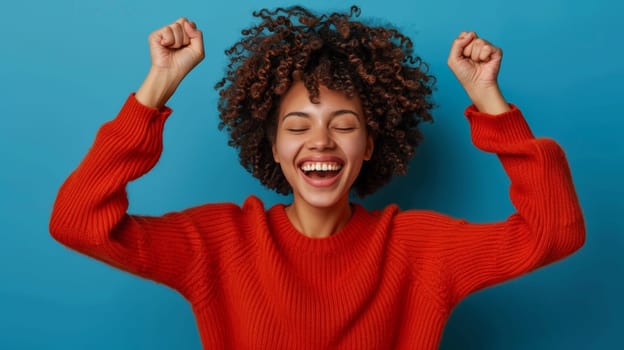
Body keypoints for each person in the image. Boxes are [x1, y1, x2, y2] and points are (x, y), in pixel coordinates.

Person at [49, 5, 585, 349]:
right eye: (297, 126)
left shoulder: (417, 249)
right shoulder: (219, 243)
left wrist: (492, 105)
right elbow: (79, 223)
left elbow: (553, 234)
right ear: (275, 148)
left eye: (344, 124)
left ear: (371, 144)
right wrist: (157, 86)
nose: (321, 142)